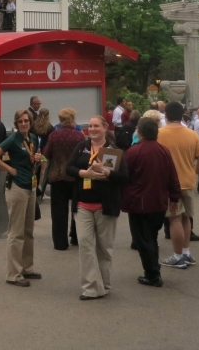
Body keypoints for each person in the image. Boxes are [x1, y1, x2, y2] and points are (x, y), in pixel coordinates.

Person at [66, 115, 127, 300]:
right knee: (85, 244)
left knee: (104, 249)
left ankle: (104, 284)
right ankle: (91, 288)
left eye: (96, 126)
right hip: (82, 205)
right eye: (90, 126)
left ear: (105, 128)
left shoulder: (114, 150)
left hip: (105, 206)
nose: (92, 129)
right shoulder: (81, 147)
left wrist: (106, 172)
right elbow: (69, 168)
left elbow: (124, 177)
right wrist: (85, 173)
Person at [122, 116, 181, 287]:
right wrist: (174, 197)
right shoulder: (164, 151)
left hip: (139, 202)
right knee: (152, 236)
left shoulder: (133, 152)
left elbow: (125, 176)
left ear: (140, 132)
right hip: (159, 201)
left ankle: (152, 273)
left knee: (142, 239)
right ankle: (153, 268)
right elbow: (172, 176)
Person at [0, 108, 42, 287]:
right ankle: (13, 274)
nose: (24, 124)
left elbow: (31, 160)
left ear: (31, 122)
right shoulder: (13, 139)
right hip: (17, 187)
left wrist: (37, 158)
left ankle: (27, 267)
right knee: (16, 232)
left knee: (28, 231)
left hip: (30, 186)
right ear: (16, 124)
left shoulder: (33, 138)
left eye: (26, 121)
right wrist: (9, 169)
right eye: (20, 121)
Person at [157, 100, 199, 269]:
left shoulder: (159, 134)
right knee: (186, 218)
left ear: (166, 115)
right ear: (182, 115)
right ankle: (186, 252)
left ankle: (177, 255)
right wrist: (193, 171)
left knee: (174, 219)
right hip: (188, 181)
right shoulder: (191, 134)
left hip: (170, 184)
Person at [42, 108, 86, 249]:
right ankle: (75, 236)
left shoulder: (54, 135)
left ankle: (60, 242)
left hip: (58, 176)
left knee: (58, 211)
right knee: (77, 209)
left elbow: (46, 154)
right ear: (71, 120)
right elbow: (84, 156)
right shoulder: (80, 136)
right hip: (75, 176)